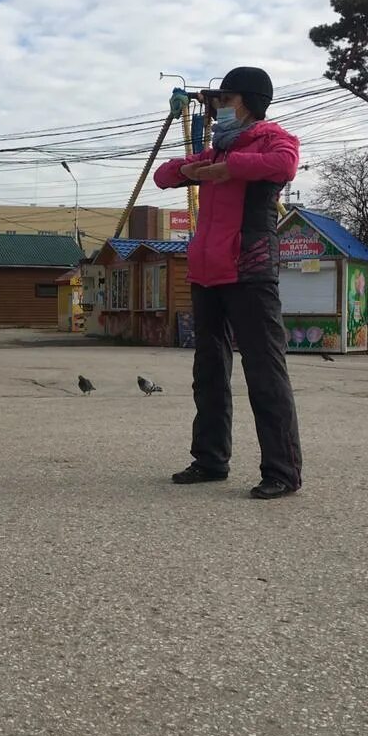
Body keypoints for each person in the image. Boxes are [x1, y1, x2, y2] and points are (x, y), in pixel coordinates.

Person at [153, 66, 303, 499]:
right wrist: (197, 168)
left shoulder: (273, 138)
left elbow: (285, 164)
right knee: (209, 370)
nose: (217, 108)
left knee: (265, 370)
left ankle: (282, 470)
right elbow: (165, 175)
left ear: (247, 101)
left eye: (224, 100)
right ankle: (210, 459)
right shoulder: (214, 151)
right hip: (206, 270)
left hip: (250, 267)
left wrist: (228, 170)